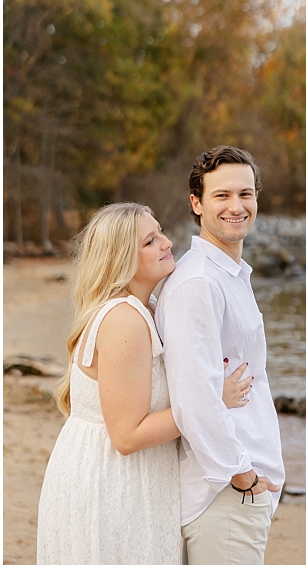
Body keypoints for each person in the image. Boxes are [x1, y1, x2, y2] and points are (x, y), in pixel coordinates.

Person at [37, 203, 253, 564]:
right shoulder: (125, 321)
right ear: (122, 258)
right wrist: (212, 400)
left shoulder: (146, 307)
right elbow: (126, 436)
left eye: (160, 231)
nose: (167, 243)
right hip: (111, 483)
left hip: (126, 477)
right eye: (150, 241)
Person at [155, 145, 285, 565]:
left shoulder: (227, 275)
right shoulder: (199, 282)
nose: (237, 206)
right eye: (222, 195)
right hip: (223, 494)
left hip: (237, 490)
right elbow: (194, 397)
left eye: (245, 194)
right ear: (197, 203)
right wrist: (242, 475)